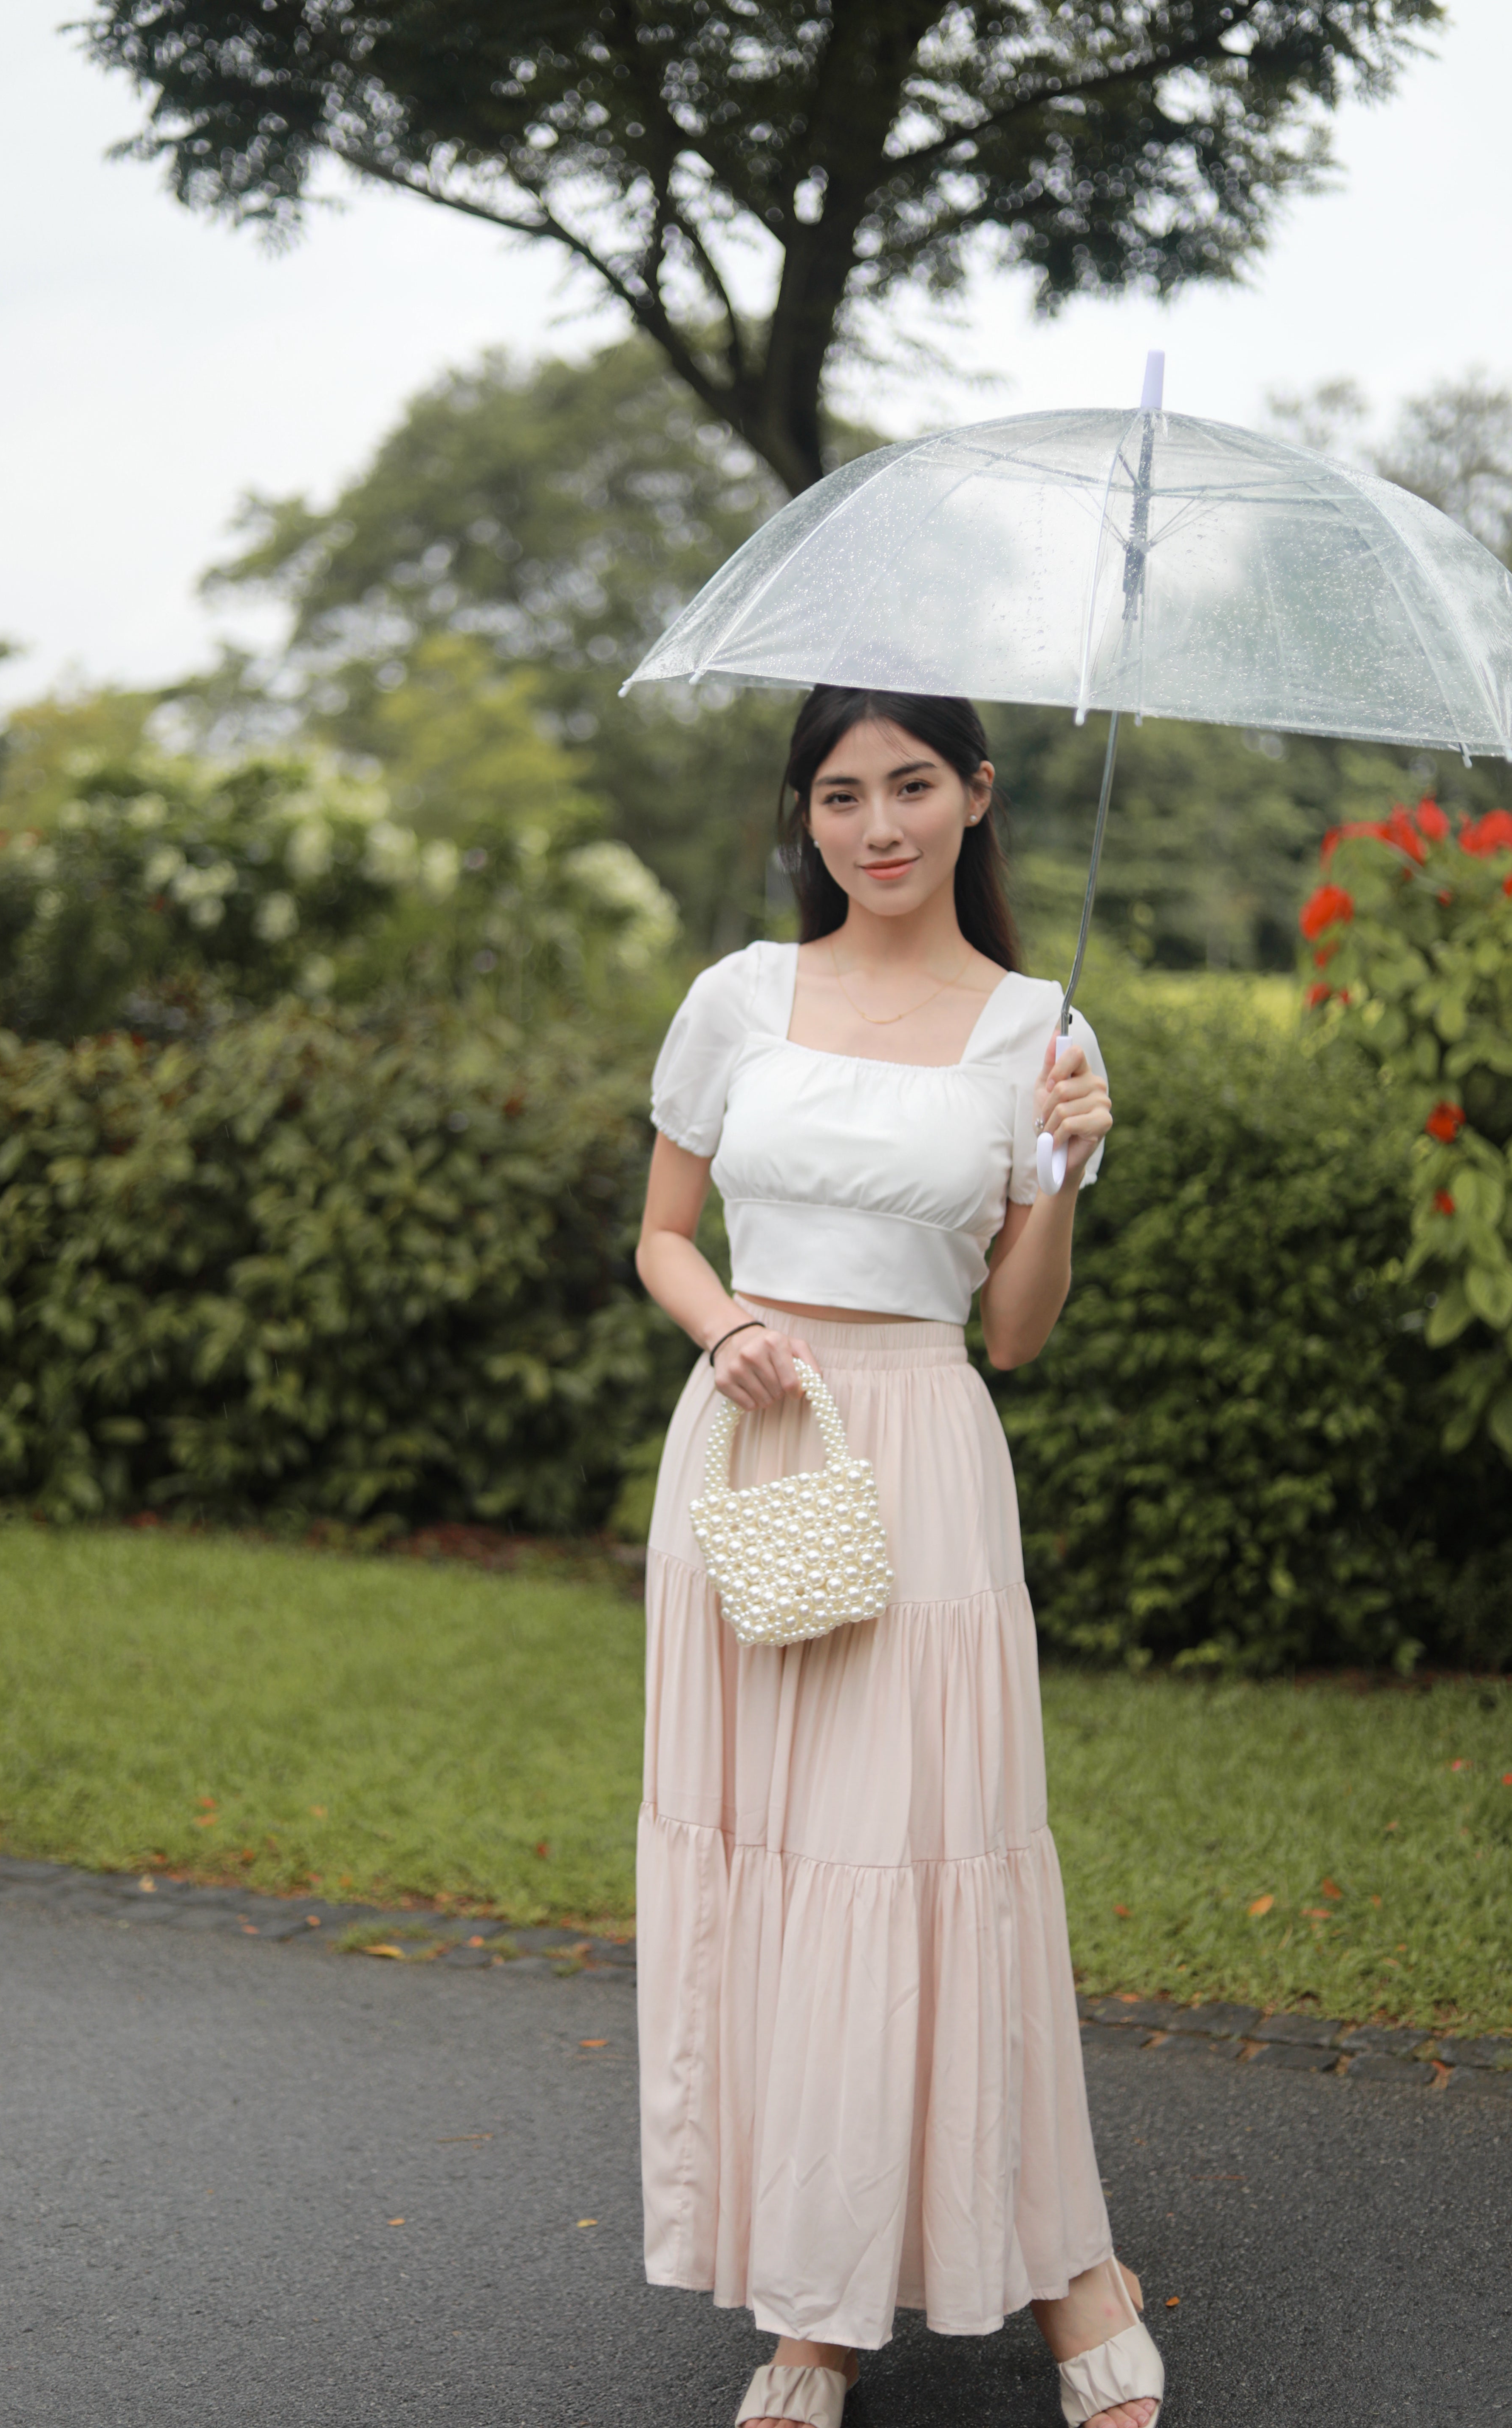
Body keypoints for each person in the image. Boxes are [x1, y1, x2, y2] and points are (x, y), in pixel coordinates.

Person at [633, 686, 1163, 2428]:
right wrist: (725, 1333)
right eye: (840, 794)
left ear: (977, 798)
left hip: (924, 1450)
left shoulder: (1036, 1029)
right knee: (782, 1862)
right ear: (807, 816)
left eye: (911, 786)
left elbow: (1014, 1334)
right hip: (754, 1434)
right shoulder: (737, 998)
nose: (874, 826)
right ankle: (814, 2305)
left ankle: (1073, 2266)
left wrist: (1067, 1164)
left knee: (938, 1854)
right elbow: (661, 1233)